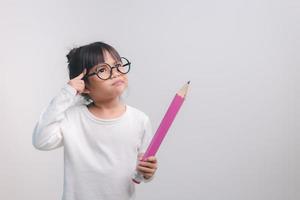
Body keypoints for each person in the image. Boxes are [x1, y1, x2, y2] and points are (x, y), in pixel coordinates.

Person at [32, 41, 158, 200]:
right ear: (84, 85)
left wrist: (147, 173)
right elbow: (41, 141)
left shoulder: (140, 120)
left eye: (118, 65)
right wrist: (66, 93)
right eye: (102, 70)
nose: (115, 72)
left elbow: (138, 175)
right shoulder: (72, 118)